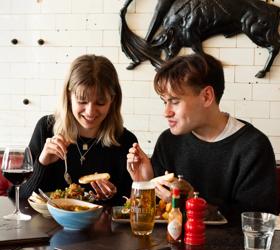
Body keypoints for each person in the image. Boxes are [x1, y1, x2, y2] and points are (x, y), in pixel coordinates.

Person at [127, 53, 278, 222]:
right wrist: (145, 184)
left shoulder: (253, 146)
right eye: (164, 102)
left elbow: (259, 221)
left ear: (206, 96)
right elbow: (158, 217)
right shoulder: (168, 141)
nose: (166, 112)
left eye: (175, 101)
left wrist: (195, 202)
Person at [8, 54, 137, 205]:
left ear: (113, 100)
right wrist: (42, 163)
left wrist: (113, 197)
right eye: (82, 101)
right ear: (69, 97)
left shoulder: (126, 142)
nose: (90, 112)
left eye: (100, 103)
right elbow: (19, 198)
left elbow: (130, 208)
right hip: (46, 228)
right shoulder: (46, 128)